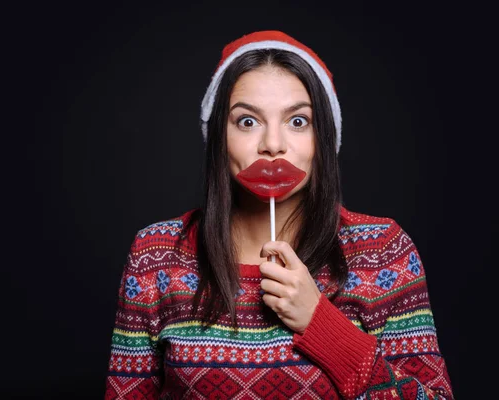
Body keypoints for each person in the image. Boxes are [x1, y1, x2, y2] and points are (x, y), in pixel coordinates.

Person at [104, 30, 453, 399]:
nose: (272, 145)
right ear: (219, 137)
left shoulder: (383, 251)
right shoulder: (155, 255)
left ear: (324, 137)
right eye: (248, 122)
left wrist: (321, 325)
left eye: (298, 121)